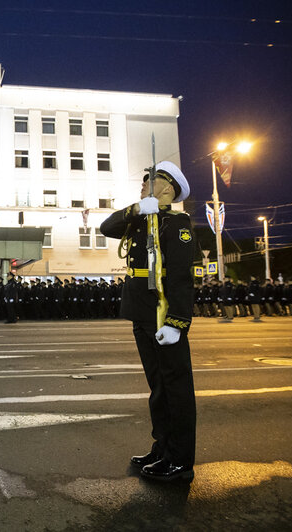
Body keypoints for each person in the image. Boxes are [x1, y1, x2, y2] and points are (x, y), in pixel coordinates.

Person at [99, 160, 196, 482]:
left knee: (175, 389)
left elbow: (181, 277)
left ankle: (180, 460)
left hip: (163, 314)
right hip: (142, 311)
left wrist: (178, 322)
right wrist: (137, 209)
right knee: (158, 388)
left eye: (150, 181)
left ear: (167, 188)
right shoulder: (142, 220)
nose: (142, 184)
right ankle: (162, 448)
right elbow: (107, 227)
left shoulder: (177, 223)